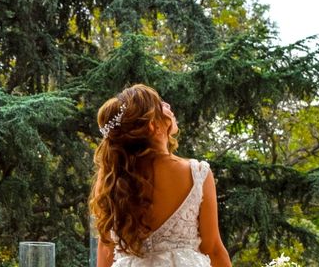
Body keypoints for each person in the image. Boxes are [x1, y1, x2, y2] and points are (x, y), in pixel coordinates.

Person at [89, 84, 232, 267]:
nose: (168, 106)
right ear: (152, 125)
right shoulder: (196, 173)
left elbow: (105, 247)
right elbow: (211, 248)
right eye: (160, 104)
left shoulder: (112, 178)